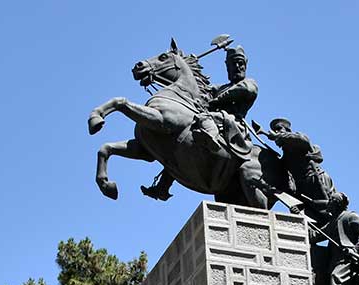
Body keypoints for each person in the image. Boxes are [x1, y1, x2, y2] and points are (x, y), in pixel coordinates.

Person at [142, 46, 258, 201]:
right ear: (227, 67)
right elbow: (203, 91)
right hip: (213, 118)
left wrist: (216, 100)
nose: (237, 66)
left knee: (202, 119)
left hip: (230, 124)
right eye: (233, 64)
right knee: (179, 139)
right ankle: (163, 187)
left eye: (240, 63)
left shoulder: (249, 83)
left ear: (245, 65)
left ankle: (211, 139)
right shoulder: (219, 87)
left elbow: (246, 90)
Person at [252, 117, 337, 221]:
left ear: (287, 130)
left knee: (329, 209)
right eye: (275, 130)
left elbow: (303, 139)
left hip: (315, 179)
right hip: (301, 186)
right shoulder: (286, 155)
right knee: (308, 213)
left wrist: (279, 136)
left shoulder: (298, 141)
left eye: (279, 129)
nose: (276, 132)